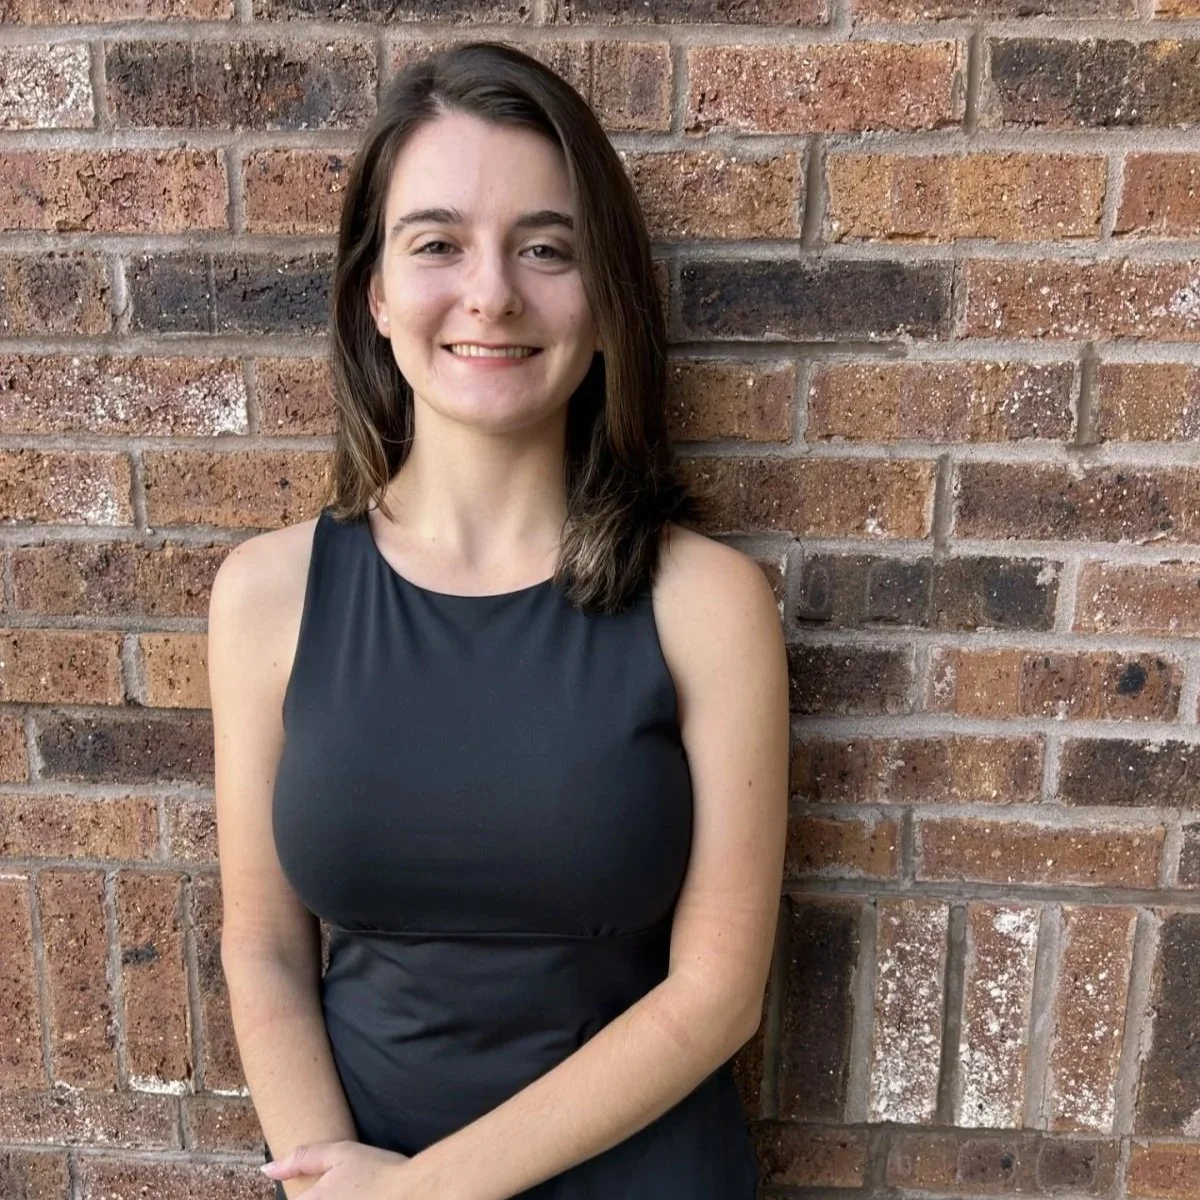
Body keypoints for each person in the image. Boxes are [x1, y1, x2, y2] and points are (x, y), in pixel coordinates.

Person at [206, 41, 789, 1200]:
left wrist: (418, 1194)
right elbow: (263, 946)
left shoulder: (706, 605)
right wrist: (333, 1184)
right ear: (374, 294)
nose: (492, 294)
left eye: (546, 248)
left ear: (606, 301)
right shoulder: (267, 596)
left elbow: (718, 994)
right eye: (437, 244)